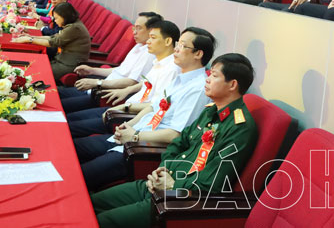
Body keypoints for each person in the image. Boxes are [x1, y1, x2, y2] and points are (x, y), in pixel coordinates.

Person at [90, 53, 257, 228]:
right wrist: (163, 170)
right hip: (158, 184)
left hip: (179, 200)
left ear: (232, 85)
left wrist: (173, 184)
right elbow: (179, 142)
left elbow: (214, 181)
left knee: (100, 222)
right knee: (90, 203)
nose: (207, 79)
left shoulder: (240, 128)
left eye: (214, 75)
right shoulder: (211, 110)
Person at [75, 23, 213, 191]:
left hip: (143, 148)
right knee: (74, 148)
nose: (176, 49)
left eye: (183, 46)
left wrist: (135, 136)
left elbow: (175, 134)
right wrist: (129, 125)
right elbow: (153, 108)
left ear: (198, 54)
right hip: (133, 135)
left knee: (79, 175)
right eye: (178, 44)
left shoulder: (197, 89)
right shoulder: (180, 78)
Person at [58, 12, 162, 113]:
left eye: (139, 28)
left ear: (151, 31)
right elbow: (120, 70)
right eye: (134, 28)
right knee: (57, 94)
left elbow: (132, 82)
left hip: (105, 94)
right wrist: (92, 70)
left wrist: (97, 83)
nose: (134, 32)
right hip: (100, 86)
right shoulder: (139, 45)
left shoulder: (149, 54)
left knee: (60, 105)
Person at [12, 3, 92, 82]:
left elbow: (52, 42)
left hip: (69, 65)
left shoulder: (74, 28)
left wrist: (30, 40)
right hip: (61, 60)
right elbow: (53, 37)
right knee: (34, 66)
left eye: (56, 18)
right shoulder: (72, 25)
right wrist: (31, 37)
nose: (55, 21)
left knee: (37, 72)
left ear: (64, 16)